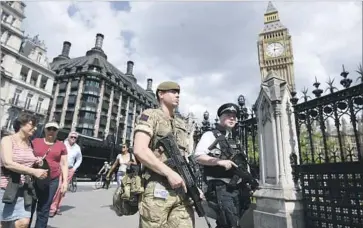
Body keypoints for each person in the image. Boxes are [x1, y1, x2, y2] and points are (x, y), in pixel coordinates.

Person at [133, 81, 197, 228]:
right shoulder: (150, 115)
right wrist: (169, 173)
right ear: (161, 94)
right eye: (173, 91)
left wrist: (194, 186)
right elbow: (140, 149)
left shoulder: (181, 124)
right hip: (157, 188)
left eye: (178, 92)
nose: (177, 95)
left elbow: (185, 159)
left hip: (183, 191)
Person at [194, 103, 258, 228]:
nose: (232, 118)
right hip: (221, 188)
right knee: (230, 224)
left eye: (234, 116)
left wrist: (250, 180)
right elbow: (198, 156)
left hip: (239, 189)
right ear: (220, 117)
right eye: (228, 115)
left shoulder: (235, 139)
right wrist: (218, 162)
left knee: (229, 223)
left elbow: (242, 164)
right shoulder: (210, 135)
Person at [0, 113, 48, 228]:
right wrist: (33, 172)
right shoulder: (7, 140)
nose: (35, 128)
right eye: (33, 124)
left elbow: (26, 160)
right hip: (5, 188)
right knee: (3, 224)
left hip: (24, 189)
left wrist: (37, 162)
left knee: (23, 223)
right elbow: (8, 163)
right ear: (21, 124)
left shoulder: (29, 143)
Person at [30, 121, 68, 227]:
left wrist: (65, 182)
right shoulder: (35, 141)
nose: (51, 131)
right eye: (49, 128)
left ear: (57, 132)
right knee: (29, 206)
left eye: (54, 129)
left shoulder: (61, 145)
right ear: (45, 130)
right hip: (34, 178)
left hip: (52, 180)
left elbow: (64, 163)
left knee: (44, 208)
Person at [50, 131, 82, 216]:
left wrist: (74, 168)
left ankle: (58, 207)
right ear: (68, 137)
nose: (73, 139)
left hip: (69, 169)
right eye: (72, 137)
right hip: (59, 168)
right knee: (58, 187)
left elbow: (79, 159)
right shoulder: (62, 144)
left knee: (63, 189)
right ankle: (52, 208)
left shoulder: (77, 148)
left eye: (75, 137)